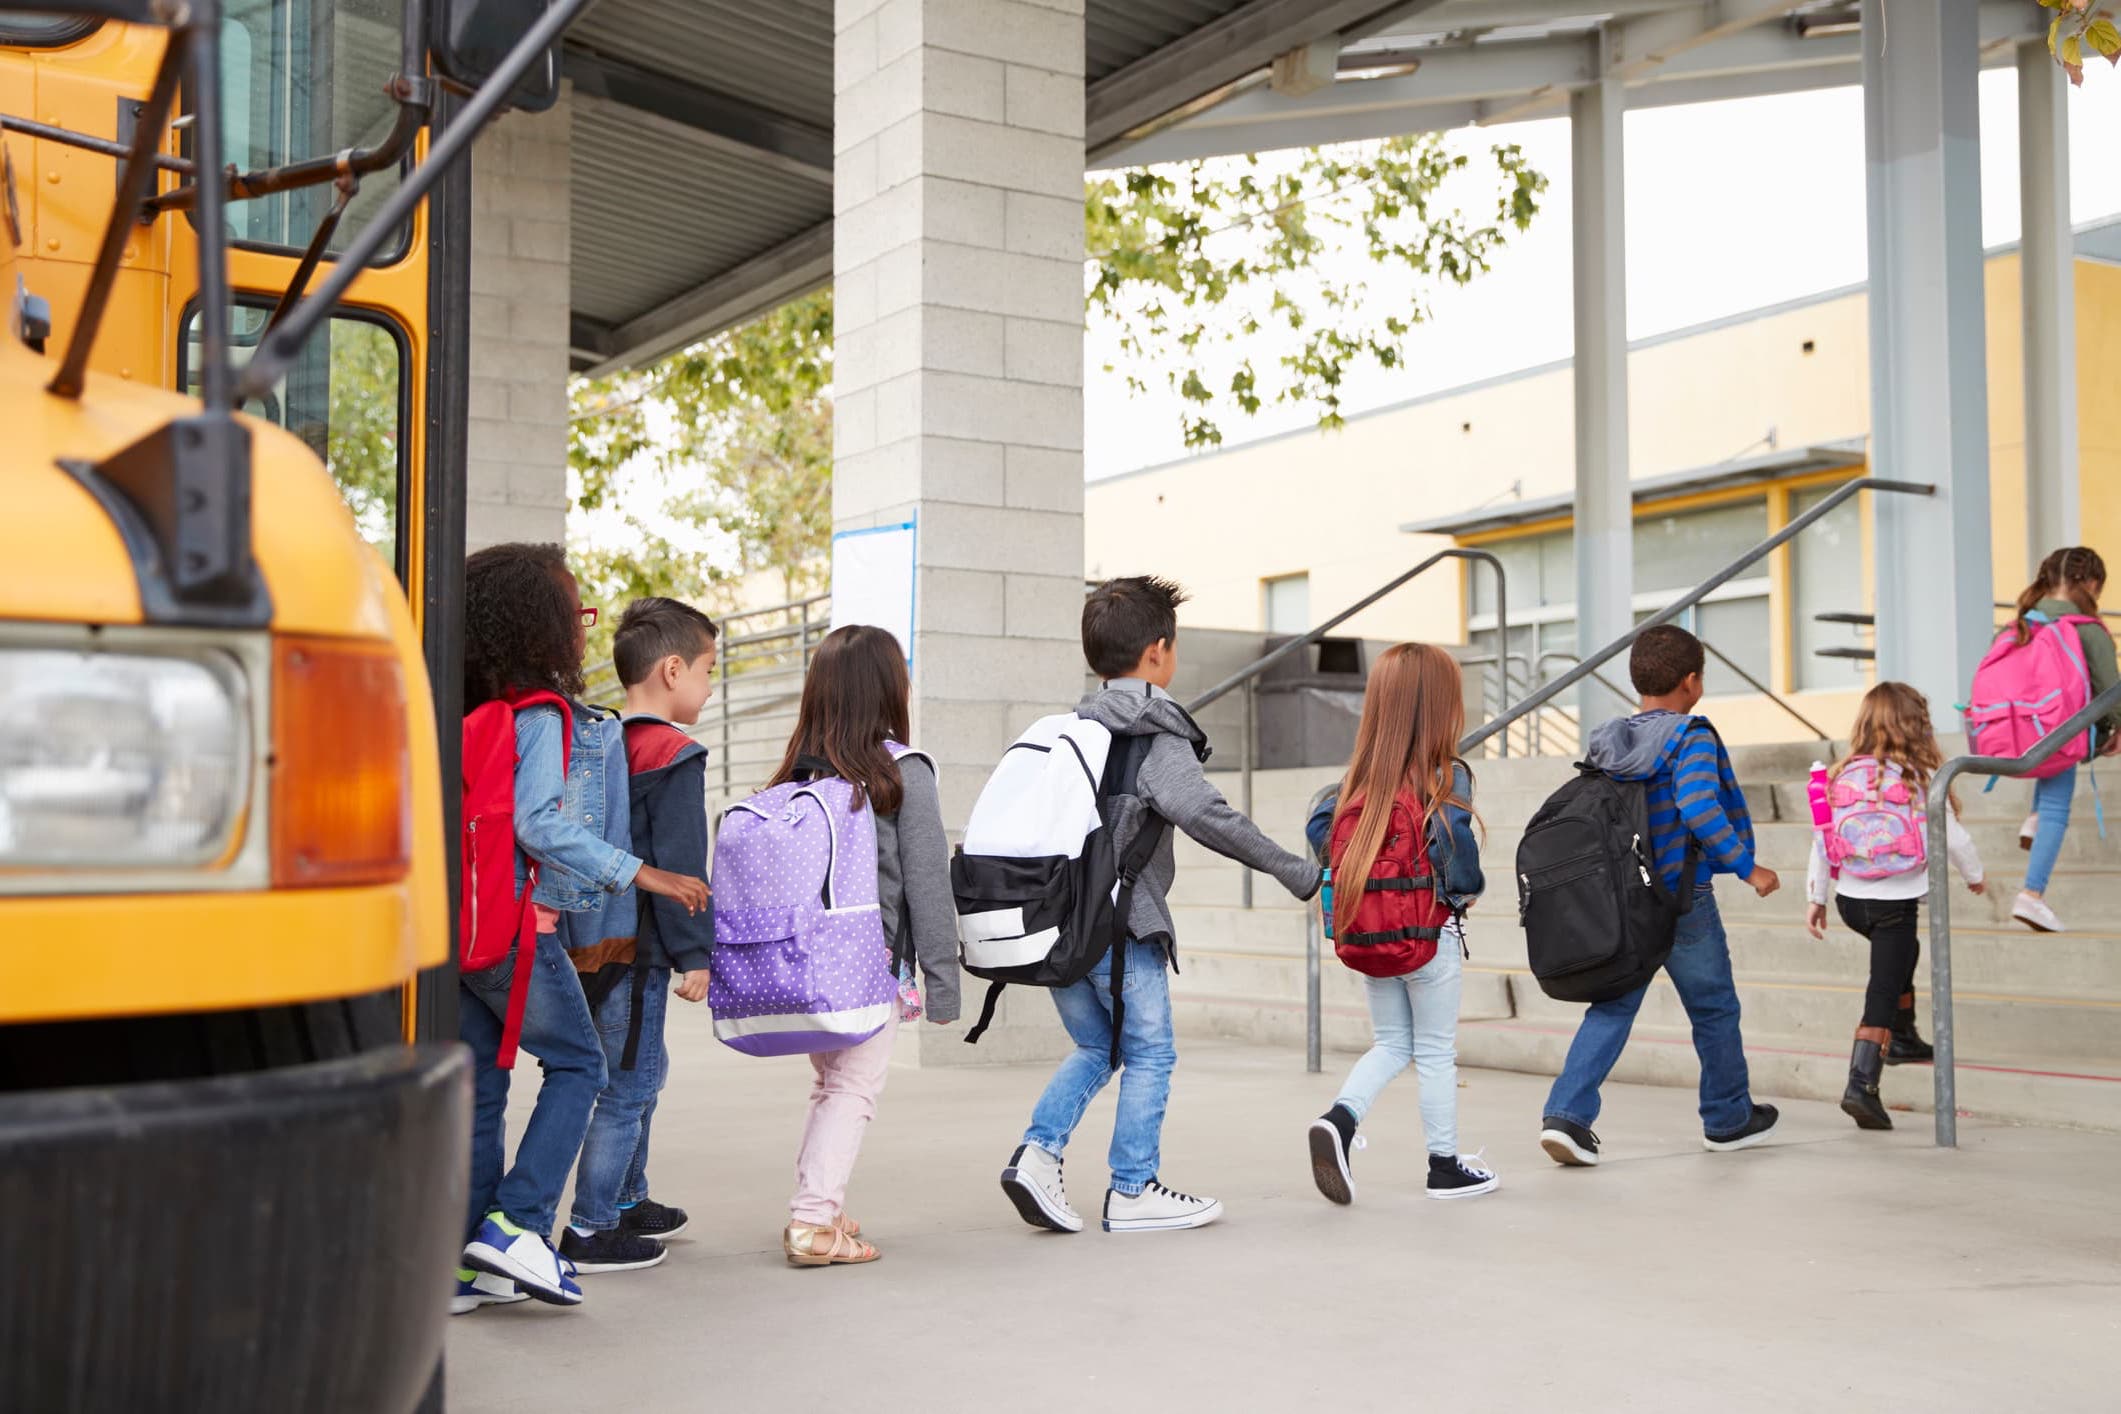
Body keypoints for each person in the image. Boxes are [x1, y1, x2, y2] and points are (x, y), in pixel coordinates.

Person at [1000, 576, 1323, 1234]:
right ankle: (1132, 1188)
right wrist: (1296, 870)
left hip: (1055, 925)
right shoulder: (1153, 734)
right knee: (1150, 1053)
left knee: (1097, 1046)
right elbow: (1206, 814)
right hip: (1121, 928)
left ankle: (1037, 1154)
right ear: (1157, 651)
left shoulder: (1071, 730)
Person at [455, 544, 709, 1313]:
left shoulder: (462, 709)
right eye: (575, 613)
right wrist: (644, 874)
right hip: (513, 926)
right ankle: (518, 1224)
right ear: (538, 624)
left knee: (483, 1085)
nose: (581, 628)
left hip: (458, 927)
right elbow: (538, 824)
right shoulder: (540, 713)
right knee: (580, 1065)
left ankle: (466, 1263)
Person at [1536, 624, 1782, 1167]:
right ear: (1691, 682)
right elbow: (1698, 805)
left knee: (1613, 1005)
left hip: (1625, 900)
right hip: (1682, 899)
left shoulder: (1611, 740)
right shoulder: (1691, 736)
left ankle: (1566, 1117)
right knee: (1714, 1007)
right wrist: (1749, 868)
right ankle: (1728, 1119)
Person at [764, 624, 961, 1267]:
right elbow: (928, 883)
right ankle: (812, 1222)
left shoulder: (798, 773)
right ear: (888, 689)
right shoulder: (902, 771)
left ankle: (820, 1205)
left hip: (807, 963)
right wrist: (943, 982)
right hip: (870, 963)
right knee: (854, 1089)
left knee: (831, 1084)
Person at [559, 598, 722, 1273]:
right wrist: (696, 954)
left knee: (638, 1072)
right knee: (627, 1085)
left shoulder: (598, 743)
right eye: (709, 671)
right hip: (641, 949)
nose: (710, 687)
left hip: (589, 940)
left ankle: (629, 1198)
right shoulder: (673, 753)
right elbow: (682, 864)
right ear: (673, 670)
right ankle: (593, 1226)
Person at [1302, 643, 1498, 1204]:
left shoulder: (1354, 784)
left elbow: (1320, 833)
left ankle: (1339, 1120)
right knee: (1434, 1052)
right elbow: (1459, 861)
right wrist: (1467, 891)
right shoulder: (1446, 776)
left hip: (1372, 932)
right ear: (1440, 706)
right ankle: (1444, 1167)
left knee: (1390, 1043)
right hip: (1429, 938)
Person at [1804, 682, 1985, 1129]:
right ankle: (1861, 1085)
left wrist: (1816, 897)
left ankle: (1903, 1036)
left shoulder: (1840, 776)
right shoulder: (1919, 779)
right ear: (1916, 725)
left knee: (1905, 955)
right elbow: (1955, 839)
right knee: (1882, 990)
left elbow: (1822, 841)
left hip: (1851, 900)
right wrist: (1975, 875)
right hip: (1894, 905)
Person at [2004, 547, 2119, 934]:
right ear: (2091, 584)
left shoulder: (2020, 624)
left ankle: (2033, 820)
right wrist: (2117, 729)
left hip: (2019, 731)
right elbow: (2112, 690)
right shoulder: (2087, 629)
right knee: (2058, 804)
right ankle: (2032, 894)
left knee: (2048, 773)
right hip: (2063, 733)